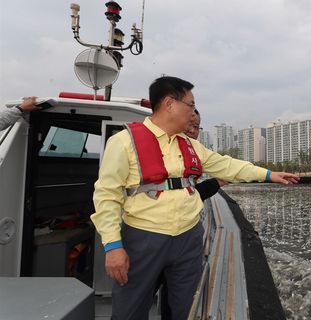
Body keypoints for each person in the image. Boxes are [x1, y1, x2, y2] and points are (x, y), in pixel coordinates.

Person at [91, 76, 299, 320]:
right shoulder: (124, 142)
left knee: (188, 309)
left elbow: (226, 165)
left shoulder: (189, 145)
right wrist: (113, 246)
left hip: (188, 238)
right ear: (169, 103)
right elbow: (107, 196)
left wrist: (268, 175)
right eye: (190, 105)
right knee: (130, 310)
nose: (193, 112)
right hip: (144, 239)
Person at [156, 108, 227, 320]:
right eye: (190, 126)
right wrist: (216, 183)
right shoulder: (167, 154)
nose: (194, 132)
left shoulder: (192, 154)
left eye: (197, 127)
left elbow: (190, 194)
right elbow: (181, 195)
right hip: (157, 237)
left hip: (181, 239)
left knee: (174, 292)